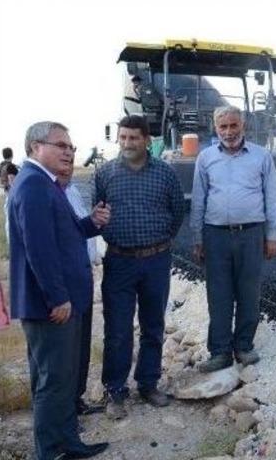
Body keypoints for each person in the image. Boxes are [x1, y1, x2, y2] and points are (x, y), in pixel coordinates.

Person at [7, 121, 110, 459]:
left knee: (62, 380)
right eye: (61, 145)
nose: (69, 151)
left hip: (61, 300)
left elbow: (63, 235)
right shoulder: (34, 186)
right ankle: (50, 451)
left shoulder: (46, 185)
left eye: (71, 146)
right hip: (50, 306)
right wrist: (58, 297)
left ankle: (69, 442)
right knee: (53, 382)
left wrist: (90, 223)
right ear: (36, 147)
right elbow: (40, 249)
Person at [94, 115, 185, 420]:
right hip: (119, 262)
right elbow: (99, 214)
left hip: (156, 261)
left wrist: (159, 243)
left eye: (134, 138)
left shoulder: (165, 173)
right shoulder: (105, 173)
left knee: (153, 325)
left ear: (147, 140)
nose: (127, 143)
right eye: (123, 137)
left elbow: (177, 213)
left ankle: (148, 383)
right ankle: (115, 391)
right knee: (118, 330)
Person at [190, 105, 276, 373]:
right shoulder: (205, 158)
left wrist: (273, 235)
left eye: (233, 125)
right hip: (215, 235)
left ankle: (243, 346)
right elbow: (199, 200)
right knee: (218, 295)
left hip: (251, 234)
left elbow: (271, 197)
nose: (228, 132)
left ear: (243, 126)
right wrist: (198, 238)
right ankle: (219, 352)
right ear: (215, 128)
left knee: (248, 292)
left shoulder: (261, 157)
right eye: (223, 127)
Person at [58, 160, 105, 417]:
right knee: (64, 351)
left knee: (81, 346)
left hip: (82, 276)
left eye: (71, 153)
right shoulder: (44, 194)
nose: (69, 161)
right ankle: (63, 412)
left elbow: (79, 231)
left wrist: (93, 221)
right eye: (62, 152)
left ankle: (76, 399)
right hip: (63, 284)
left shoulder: (72, 190)